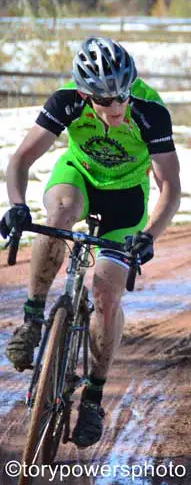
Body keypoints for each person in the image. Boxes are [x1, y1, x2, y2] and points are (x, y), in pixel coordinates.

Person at [0, 37, 181, 448]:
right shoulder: (66, 102)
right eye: (104, 100)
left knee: (105, 294)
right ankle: (32, 320)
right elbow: (21, 160)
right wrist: (15, 204)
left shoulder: (151, 112)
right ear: (85, 94)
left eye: (121, 96)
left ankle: (94, 398)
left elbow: (169, 187)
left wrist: (148, 236)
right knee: (58, 216)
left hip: (126, 200)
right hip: (78, 176)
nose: (116, 107)